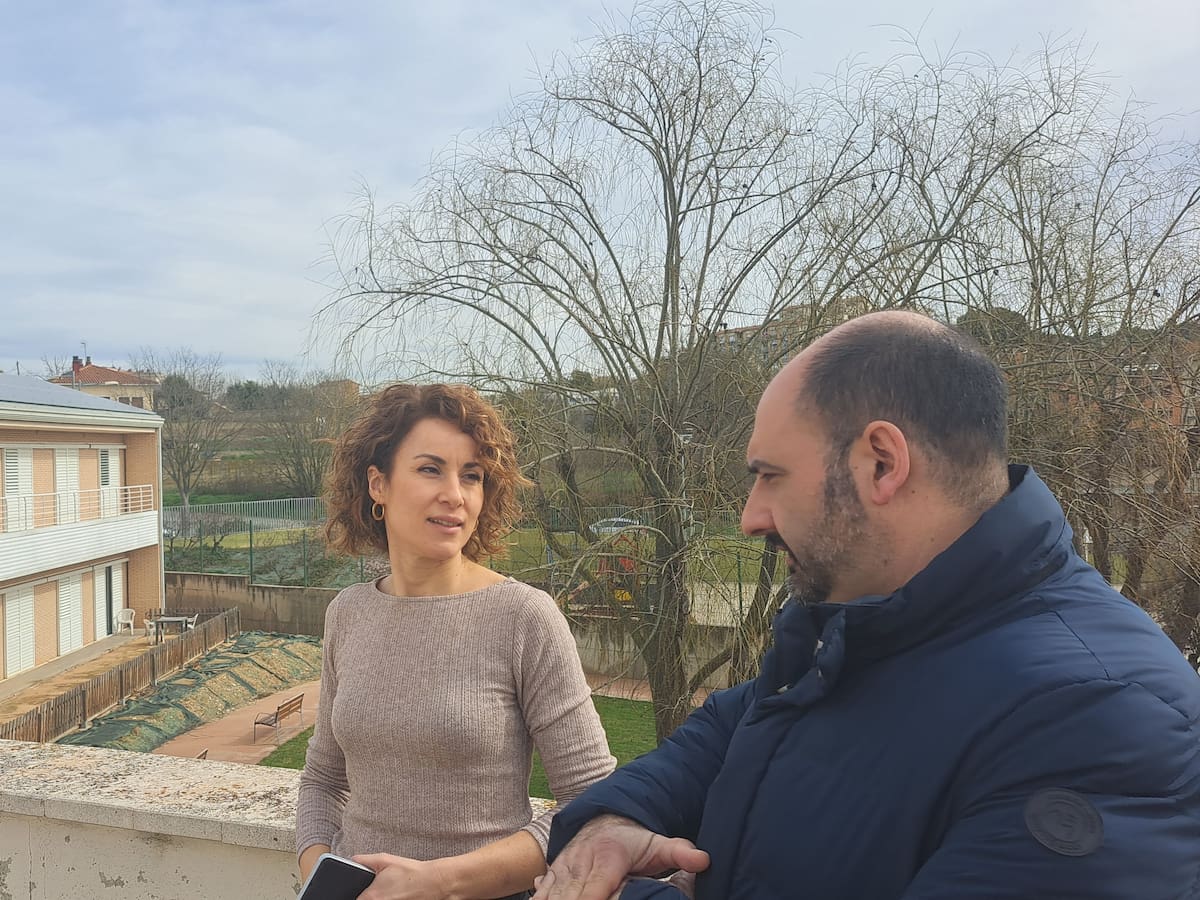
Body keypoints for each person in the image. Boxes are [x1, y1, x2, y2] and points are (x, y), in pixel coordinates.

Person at [533, 311, 1200, 899]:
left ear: (881, 462)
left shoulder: (1100, 719)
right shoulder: (878, 625)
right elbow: (735, 725)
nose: (750, 518)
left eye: (770, 476)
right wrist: (612, 823)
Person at [297, 383, 616, 900]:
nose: (456, 494)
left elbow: (592, 801)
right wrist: (322, 874)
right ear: (378, 484)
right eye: (431, 469)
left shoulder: (524, 617)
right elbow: (323, 779)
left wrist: (441, 883)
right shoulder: (348, 613)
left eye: (472, 476)